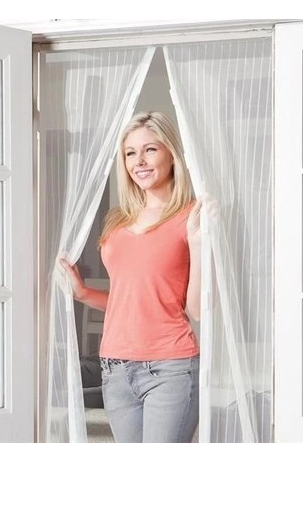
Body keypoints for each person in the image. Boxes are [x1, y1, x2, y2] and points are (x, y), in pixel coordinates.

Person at [60, 111, 208, 443]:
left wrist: (198, 245)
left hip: (169, 366)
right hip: (115, 367)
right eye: (130, 153)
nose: (138, 161)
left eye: (150, 149)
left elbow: (196, 310)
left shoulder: (191, 216)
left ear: (172, 154)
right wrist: (83, 293)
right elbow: (131, 297)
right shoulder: (117, 221)